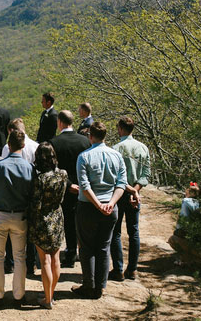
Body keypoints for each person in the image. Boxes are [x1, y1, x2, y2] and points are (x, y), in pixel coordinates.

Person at [72, 122, 127, 300]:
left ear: (90, 136)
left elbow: (84, 185)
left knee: (87, 248)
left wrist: (97, 204)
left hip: (88, 206)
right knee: (104, 247)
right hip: (110, 207)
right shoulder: (116, 156)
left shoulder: (84, 156)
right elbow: (121, 183)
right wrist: (110, 203)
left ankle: (89, 285)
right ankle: (100, 287)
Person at [0, 129, 34, 306]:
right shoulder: (29, 168)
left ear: (9, 144)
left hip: (0, 213)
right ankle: (18, 295)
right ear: (23, 145)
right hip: (20, 215)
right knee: (20, 257)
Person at [110, 116, 151, 281]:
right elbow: (146, 174)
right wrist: (135, 191)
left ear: (120, 128)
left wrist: (128, 189)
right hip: (136, 193)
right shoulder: (143, 148)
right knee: (134, 231)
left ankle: (118, 269)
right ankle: (132, 269)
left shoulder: (116, 149)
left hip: (120, 193)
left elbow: (115, 175)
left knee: (116, 231)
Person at [49, 110, 90, 268]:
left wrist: (67, 184)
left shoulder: (54, 142)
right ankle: (82, 252)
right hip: (83, 188)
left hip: (64, 188)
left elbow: (53, 169)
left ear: (59, 122)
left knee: (66, 221)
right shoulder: (85, 142)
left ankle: (70, 252)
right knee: (81, 221)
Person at [28, 143, 68, 309]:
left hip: (43, 220)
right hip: (57, 216)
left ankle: (47, 298)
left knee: (45, 260)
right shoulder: (63, 174)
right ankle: (51, 293)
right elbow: (63, 197)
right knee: (56, 259)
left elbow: (36, 204)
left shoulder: (40, 179)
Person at [0, 117, 39, 275]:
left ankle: (10, 263)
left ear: (12, 132)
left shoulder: (6, 147)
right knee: (30, 230)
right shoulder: (36, 146)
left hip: (12, 193)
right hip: (30, 192)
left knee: (10, 232)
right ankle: (31, 264)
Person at [167, 182, 201, 264]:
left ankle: (186, 258)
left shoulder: (186, 201)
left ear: (191, 193)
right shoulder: (200, 203)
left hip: (188, 231)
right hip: (197, 231)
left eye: (187, 192)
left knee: (173, 239)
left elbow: (183, 218)